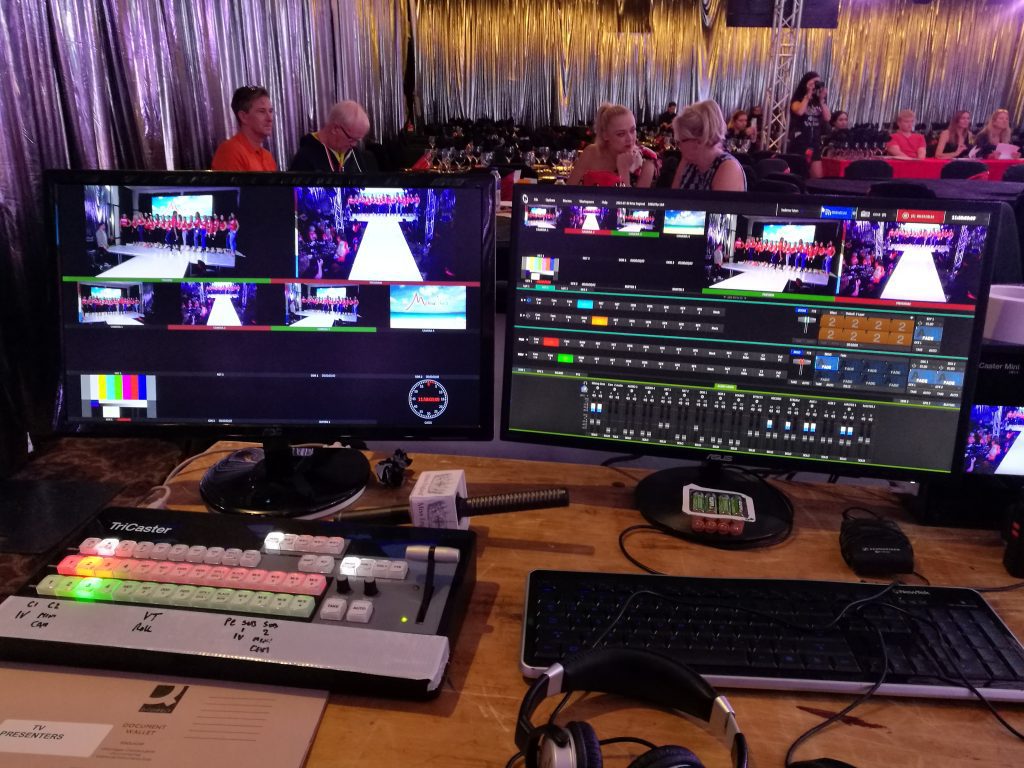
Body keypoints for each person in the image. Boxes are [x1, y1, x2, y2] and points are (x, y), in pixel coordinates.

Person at [567, 104, 658, 188]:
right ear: (605, 135)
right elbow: (568, 194)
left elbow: (634, 204)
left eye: (632, 130)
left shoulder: (646, 162)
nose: (630, 139)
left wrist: (624, 173)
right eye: (621, 134)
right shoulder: (591, 152)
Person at [669, 100, 746, 191]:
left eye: (680, 141)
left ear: (698, 142)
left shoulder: (728, 169)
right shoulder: (690, 161)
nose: (679, 147)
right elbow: (675, 198)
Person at [290, 100, 379, 173]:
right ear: (335, 129)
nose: (354, 145)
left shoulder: (354, 154)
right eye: (351, 139)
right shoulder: (305, 158)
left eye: (358, 140)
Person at [211, 86, 277, 171]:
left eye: (270, 111)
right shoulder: (230, 151)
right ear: (243, 117)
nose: (270, 118)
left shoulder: (268, 156)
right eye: (262, 111)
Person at [788, 71, 831, 177]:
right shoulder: (798, 100)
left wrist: (821, 100)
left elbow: (828, 118)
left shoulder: (818, 102)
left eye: (818, 83)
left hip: (814, 143)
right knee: (799, 175)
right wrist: (808, 95)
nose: (816, 85)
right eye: (814, 82)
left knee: (817, 177)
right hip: (800, 143)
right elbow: (799, 111)